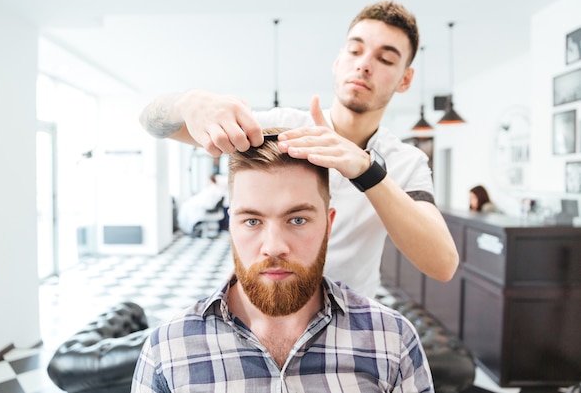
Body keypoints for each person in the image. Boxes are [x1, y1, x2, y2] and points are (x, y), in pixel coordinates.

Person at [139, 0, 458, 298]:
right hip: (259, 307)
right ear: (338, 61)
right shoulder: (279, 127)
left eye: (385, 58)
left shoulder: (405, 162)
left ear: (405, 79)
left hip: (345, 325)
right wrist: (187, 104)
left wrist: (365, 170)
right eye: (355, 51)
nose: (364, 65)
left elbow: (442, 264)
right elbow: (150, 120)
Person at [131, 129, 434, 392]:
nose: (274, 247)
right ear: (231, 225)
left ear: (329, 225)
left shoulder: (391, 340)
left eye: (298, 220)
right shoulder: (167, 351)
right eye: (252, 221)